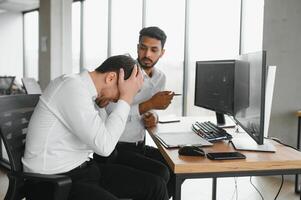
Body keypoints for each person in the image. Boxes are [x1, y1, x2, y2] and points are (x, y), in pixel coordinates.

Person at [22, 55, 169, 200]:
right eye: (121, 92)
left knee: (156, 186)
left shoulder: (88, 93)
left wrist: (102, 108)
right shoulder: (71, 87)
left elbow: (104, 136)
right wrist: (126, 98)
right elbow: (105, 147)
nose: (118, 100)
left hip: (82, 171)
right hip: (51, 183)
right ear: (111, 78)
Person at [96, 26, 175, 198]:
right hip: (115, 148)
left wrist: (153, 115)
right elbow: (109, 111)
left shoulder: (160, 77)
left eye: (154, 50)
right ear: (137, 47)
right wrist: (148, 104)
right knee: (161, 174)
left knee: (174, 169)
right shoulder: (123, 72)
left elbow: (151, 110)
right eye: (143, 47)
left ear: (162, 53)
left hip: (139, 145)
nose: (147, 54)